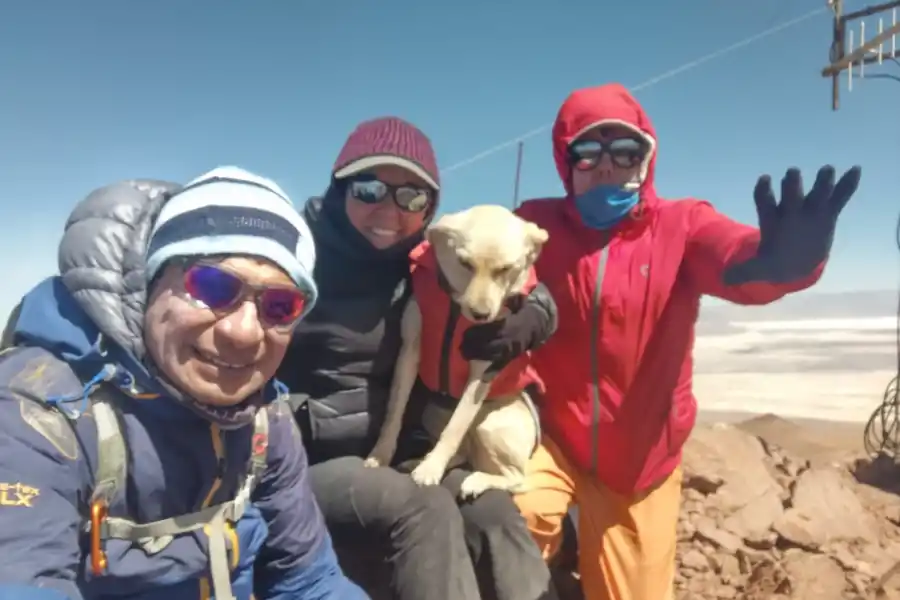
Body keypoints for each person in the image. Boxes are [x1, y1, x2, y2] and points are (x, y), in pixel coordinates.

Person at [511, 83, 862, 600]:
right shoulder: (533, 226)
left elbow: (732, 255)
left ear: (647, 158)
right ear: (567, 163)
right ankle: (557, 547)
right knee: (506, 523)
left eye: (626, 151)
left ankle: (580, 536)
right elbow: (467, 259)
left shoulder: (681, 224)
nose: (606, 166)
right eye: (586, 152)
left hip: (637, 464)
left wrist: (780, 262)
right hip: (551, 442)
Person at [0, 168, 366, 600]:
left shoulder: (265, 420)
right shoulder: (42, 414)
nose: (245, 332)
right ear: (149, 283)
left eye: (281, 305)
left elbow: (310, 581)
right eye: (212, 285)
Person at [276, 116, 560, 600]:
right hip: (321, 454)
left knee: (494, 514)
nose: (390, 208)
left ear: (430, 210)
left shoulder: (430, 261)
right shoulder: (294, 259)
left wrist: (536, 313)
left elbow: (511, 276)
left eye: (411, 196)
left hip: (408, 446)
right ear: (340, 188)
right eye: (369, 188)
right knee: (425, 509)